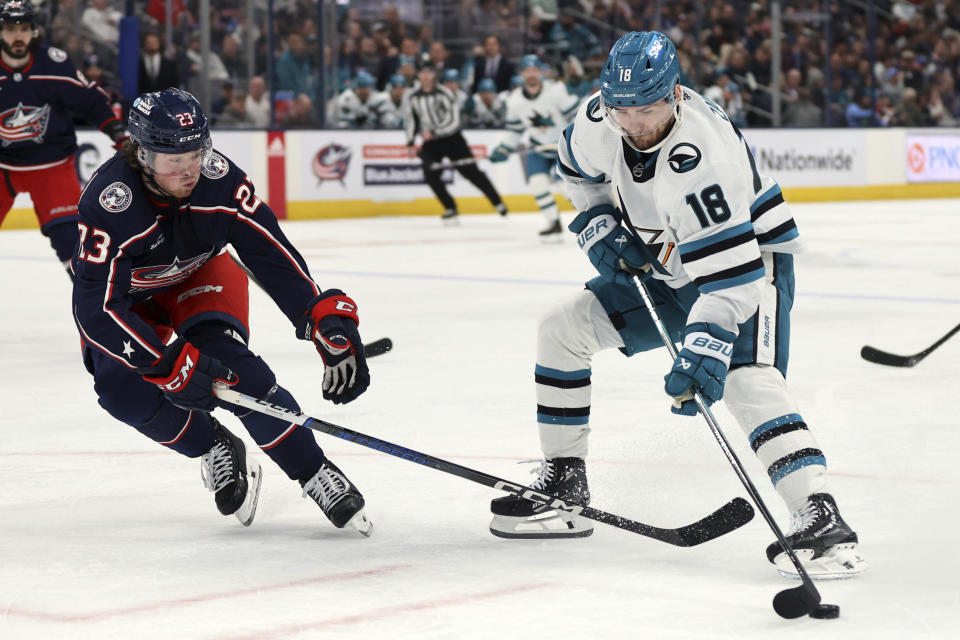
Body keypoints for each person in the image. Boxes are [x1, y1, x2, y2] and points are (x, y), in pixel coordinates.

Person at [489, 32, 866, 580]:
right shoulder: (601, 118)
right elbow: (576, 169)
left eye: (648, 109)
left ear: (676, 95)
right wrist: (599, 226)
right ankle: (565, 481)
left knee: (745, 378)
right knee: (562, 327)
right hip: (666, 262)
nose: (636, 123)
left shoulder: (703, 160)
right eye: (624, 110)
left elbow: (731, 282)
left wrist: (706, 348)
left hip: (745, 264)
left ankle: (821, 517)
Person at [71, 88, 372, 535]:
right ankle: (213, 442)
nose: (189, 169)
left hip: (200, 278)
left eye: (196, 152)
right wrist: (163, 362)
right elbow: (95, 305)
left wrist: (318, 313)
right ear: (140, 153)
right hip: (130, 305)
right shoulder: (110, 203)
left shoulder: (221, 179)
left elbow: (269, 251)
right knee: (122, 394)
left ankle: (313, 471)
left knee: (238, 374)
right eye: (173, 159)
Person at [0, 0, 127, 276]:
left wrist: (119, 135)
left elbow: (92, 101)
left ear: (34, 31)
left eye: (24, 28)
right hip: (2, 167)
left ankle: (98, 309)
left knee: (74, 246)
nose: (17, 36)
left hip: (52, 165)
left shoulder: (53, 63)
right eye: (10, 29)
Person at [489, 54, 579, 240]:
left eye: (534, 70)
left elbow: (577, 117)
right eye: (526, 70)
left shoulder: (556, 91)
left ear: (540, 72)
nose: (531, 74)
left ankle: (592, 217)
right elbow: (515, 129)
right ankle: (553, 222)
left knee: (565, 187)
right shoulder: (514, 100)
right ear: (522, 74)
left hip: (562, 147)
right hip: (538, 148)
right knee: (537, 184)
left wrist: (578, 141)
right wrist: (504, 148)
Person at [403, 64, 507, 225]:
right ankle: (450, 207)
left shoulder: (444, 93)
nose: (425, 76)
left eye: (428, 72)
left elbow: (453, 119)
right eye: (422, 73)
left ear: (433, 75)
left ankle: (497, 202)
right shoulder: (413, 97)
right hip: (431, 143)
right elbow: (412, 120)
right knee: (430, 175)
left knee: (471, 172)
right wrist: (410, 142)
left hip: (452, 139)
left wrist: (434, 131)